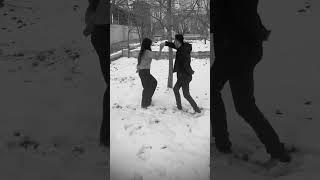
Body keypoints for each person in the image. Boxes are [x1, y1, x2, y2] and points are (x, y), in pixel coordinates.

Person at [211, 0, 290, 162]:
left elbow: (242, 14)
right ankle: (277, 151)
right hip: (239, 49)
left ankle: (222, 143)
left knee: (222, 93)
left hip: (235, 50)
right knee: (244, 105)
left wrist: (258, 33)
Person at [83, 0, 108, 147]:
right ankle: (106, 137)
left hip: (100, 30)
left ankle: (106, 136)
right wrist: (91, 25)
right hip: (101, 31)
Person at [163, 34, 201, 114]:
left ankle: (195, 109)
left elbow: (186, 64)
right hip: (183, 75)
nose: (174, 42)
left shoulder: (182, 52)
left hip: (184, 76)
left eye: (175, 40)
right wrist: (166, 43)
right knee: (181, 92)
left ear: (178, 41)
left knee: (184, 93)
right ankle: (186, 108)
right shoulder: (182, 46)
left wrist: (190, 72)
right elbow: (174, 45)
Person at [137, 38, 163, 108]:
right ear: (148, 44)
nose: (151, 45)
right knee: (150, 85)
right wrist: (160, 48)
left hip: (142, 72)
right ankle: (144, 103)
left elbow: (139, 62)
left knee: (149, 85)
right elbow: (157, 57)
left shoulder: (142, 52)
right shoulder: (147, 52)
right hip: (145, 72)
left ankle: (147, 101)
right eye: (150, 44)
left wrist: (138, 69)